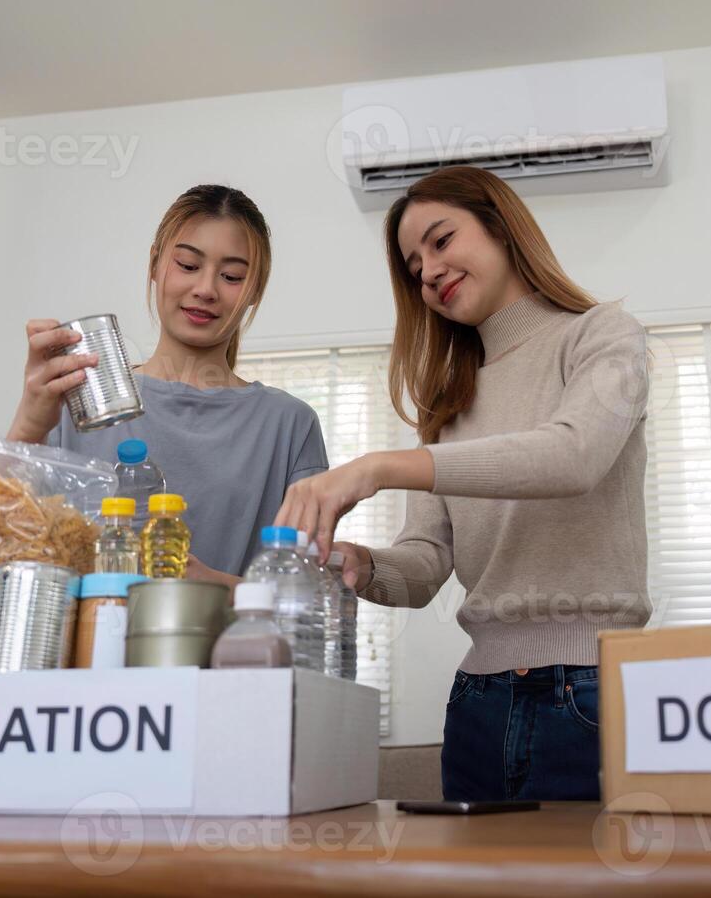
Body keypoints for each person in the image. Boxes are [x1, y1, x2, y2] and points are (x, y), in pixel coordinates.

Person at [275, 166, 650, 801]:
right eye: (413, 264)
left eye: (441, 241)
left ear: (502, 228)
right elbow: (424, 568)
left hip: (589, 691)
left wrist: (376, 469)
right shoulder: (449, 402)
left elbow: (573, 456)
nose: (427, 270)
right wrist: (353, 563)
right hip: (479, 702)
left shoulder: (602, 336)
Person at [8, 184, 328, 586]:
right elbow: (1, 542)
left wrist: (218, 589)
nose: (206, 289)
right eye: (188, 266)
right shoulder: (79, 399)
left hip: (229, 650)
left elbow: (311, 591)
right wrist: (29, 423)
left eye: (231, 276)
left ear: (255, 291)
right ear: (155, 266)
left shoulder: (289, 425)